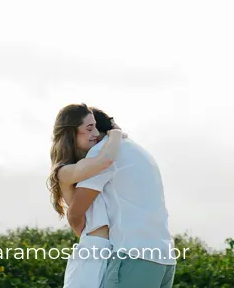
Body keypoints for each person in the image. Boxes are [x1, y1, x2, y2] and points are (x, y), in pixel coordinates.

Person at [67, 107, 174, 288]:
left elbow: (76, 211)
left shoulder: (102, 153)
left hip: (133, 257)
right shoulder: (138, 150)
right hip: (164, 259)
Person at [49, 104, 125, 288]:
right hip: (92, 249)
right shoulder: (63, 171)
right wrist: (115, 133)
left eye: (96, 127)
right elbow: (105, 161)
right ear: (71, 133)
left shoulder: (85, 163)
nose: (96, 133)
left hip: (107, 249)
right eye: (89, 128)